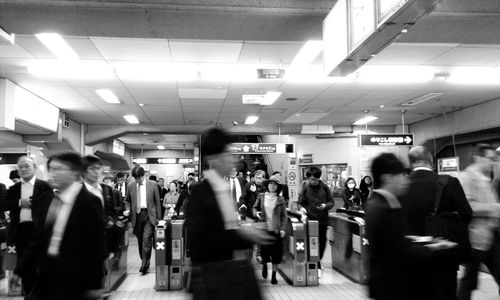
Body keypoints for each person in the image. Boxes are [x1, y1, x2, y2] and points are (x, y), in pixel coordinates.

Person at [187, 127, 273, 300]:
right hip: (215, 281)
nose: (235, 159)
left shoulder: (222, 189)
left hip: (230, 276)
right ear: (215, 159)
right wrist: (242, 234)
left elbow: (223, 229)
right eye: (229, 154)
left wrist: (244, 231)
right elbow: (198, 245)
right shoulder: (201, 193)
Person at [10, 152, 105, 300]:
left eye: (58, 169)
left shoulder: (89, 202)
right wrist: (20, 269)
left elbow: (96, 246)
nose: (52, 174)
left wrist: (95, 285)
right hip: (49, 273)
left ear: (74, 172)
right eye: (51, 169)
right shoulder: (54, 199)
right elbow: (42, 237)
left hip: (75, 278)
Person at [365, 153, 455, 300]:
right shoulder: (385, 210)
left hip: (383, 283)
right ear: (387, 178)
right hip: (395, 286)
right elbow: (400, 252)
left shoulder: (375, 203)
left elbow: (390, 241)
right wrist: (432, 247)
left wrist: (416, 240)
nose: (406, 180)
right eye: (401, 175)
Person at [400, 146, 472, 300]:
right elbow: (467, 214)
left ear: (411, 163)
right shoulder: (449, 182)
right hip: (443, 255)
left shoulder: (400, 186)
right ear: (431, 161)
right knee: (444, 293)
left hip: (412, 256)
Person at [0, 156, 53, 299]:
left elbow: (48, 208)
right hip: (21, 232)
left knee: (41, 266)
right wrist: (18, 202)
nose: (23, 169)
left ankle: (41, 293)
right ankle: (29, 294)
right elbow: (3, 204)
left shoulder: (44, 186)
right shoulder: (14, 188)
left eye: (27, 166)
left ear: (35, 168)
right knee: (26, 266)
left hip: (40, 231)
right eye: (20, 167)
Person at [457, 144, 500, 300]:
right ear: (477, 158)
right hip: (475, 239)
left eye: (493, 159)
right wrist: (494, 208)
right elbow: (467, 207)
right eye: (488, 159)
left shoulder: (485, 178)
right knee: (468, 282)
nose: (491, 163)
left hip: (490, 236)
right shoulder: (466, 177)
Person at [125, 166, 161, 275]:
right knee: (140, 241)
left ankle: (145, 265)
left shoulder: (153, 184)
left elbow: (157, 202)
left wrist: (159, 218)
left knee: (146, 240)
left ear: (143, 175)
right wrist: (127, 210)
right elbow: (127, 201)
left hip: (149, 216)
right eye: (135, 178)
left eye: (139, 178)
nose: (138, 180)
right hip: (137, 216)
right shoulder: (130, 186)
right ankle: (144, 260)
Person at [298, 166, 334, 273]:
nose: (311, 181)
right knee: (312, 241)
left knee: (322, 241)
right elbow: (300, 202)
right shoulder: (305, 189)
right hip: (310, 219)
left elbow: (331, 202)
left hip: (322, 219)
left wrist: (325, 206)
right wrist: (302, 208)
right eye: (309, 178)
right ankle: (315, 262)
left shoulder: (325, 188)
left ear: (318, 178)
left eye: (314, 178)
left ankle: (318, 259)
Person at [253, 177, 287, 285]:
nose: (272, 186)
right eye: (271, 184)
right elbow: (254, 207)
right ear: (267, 185)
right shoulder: (261, 196)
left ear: (278, 187)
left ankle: (274, 275)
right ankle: (264, 266)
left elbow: (284, 216)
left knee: (276, 255)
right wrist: (256, 213)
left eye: (275, 184)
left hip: (276, 230)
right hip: (264, 229)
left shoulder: (280, 199)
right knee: (264, 252)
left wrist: (283, 229)